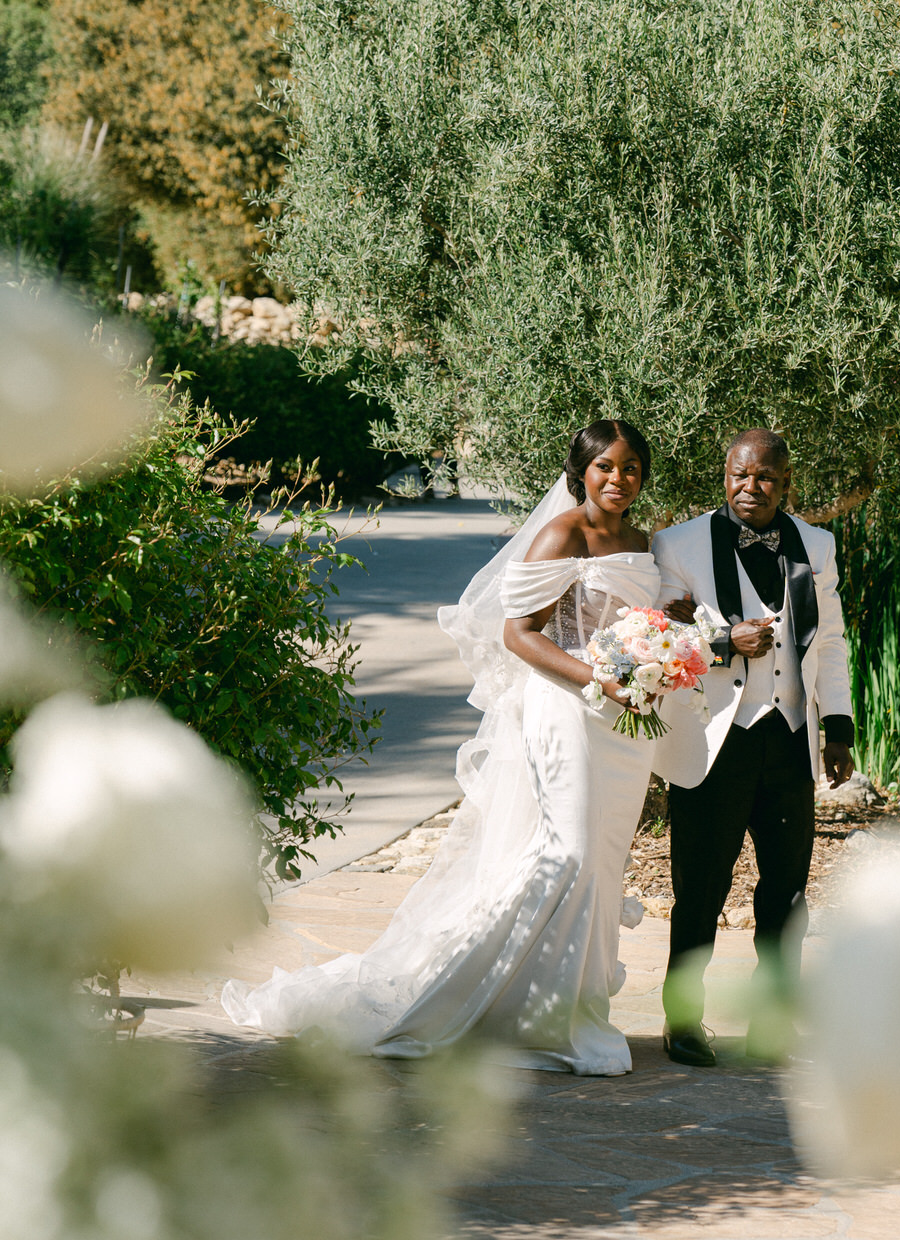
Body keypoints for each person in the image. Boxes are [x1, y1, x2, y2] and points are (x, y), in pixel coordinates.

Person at [223, 419, 678, 1075]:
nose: (618, 478)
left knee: (602, 867)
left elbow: (638, 625)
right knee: (569, 855)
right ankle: (507, 1009)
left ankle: (564, 1006)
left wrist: (659, 659)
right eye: (605, 466)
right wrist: (596, 679)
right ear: (580, 472)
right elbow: (518, 635)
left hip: (624, 726)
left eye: (631, 466)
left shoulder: (639, 539)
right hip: (569, 711)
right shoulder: (563, 534)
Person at [651, 428, 854, 1067]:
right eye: (740, 475)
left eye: (765, 477)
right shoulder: (678, 545)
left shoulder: (815, 545)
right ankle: (683, 1022)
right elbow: (655, 640)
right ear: (725, 474)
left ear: (785, 482)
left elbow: (830, 642)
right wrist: (719, 646)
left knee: (787, 891)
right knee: (701, 886)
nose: (751, 487)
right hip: (715, 741)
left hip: (790, 740)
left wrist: (839, 724)